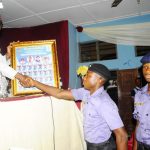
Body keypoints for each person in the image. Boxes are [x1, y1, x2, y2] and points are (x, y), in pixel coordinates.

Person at [20, 63, 128, 150]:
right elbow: (59, 93)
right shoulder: (86, 92)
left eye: (88, 75)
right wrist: (34, 83)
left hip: (104, 146)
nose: (84, 78)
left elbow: (122, 136)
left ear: (100, 80)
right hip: (90, 144)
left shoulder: (104, 103)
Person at [133, 52, 150, 150]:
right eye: (145, 67)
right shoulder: (138, 94)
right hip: (140, 144)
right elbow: (138, 122)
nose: (147, 71)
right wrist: (135, 146)